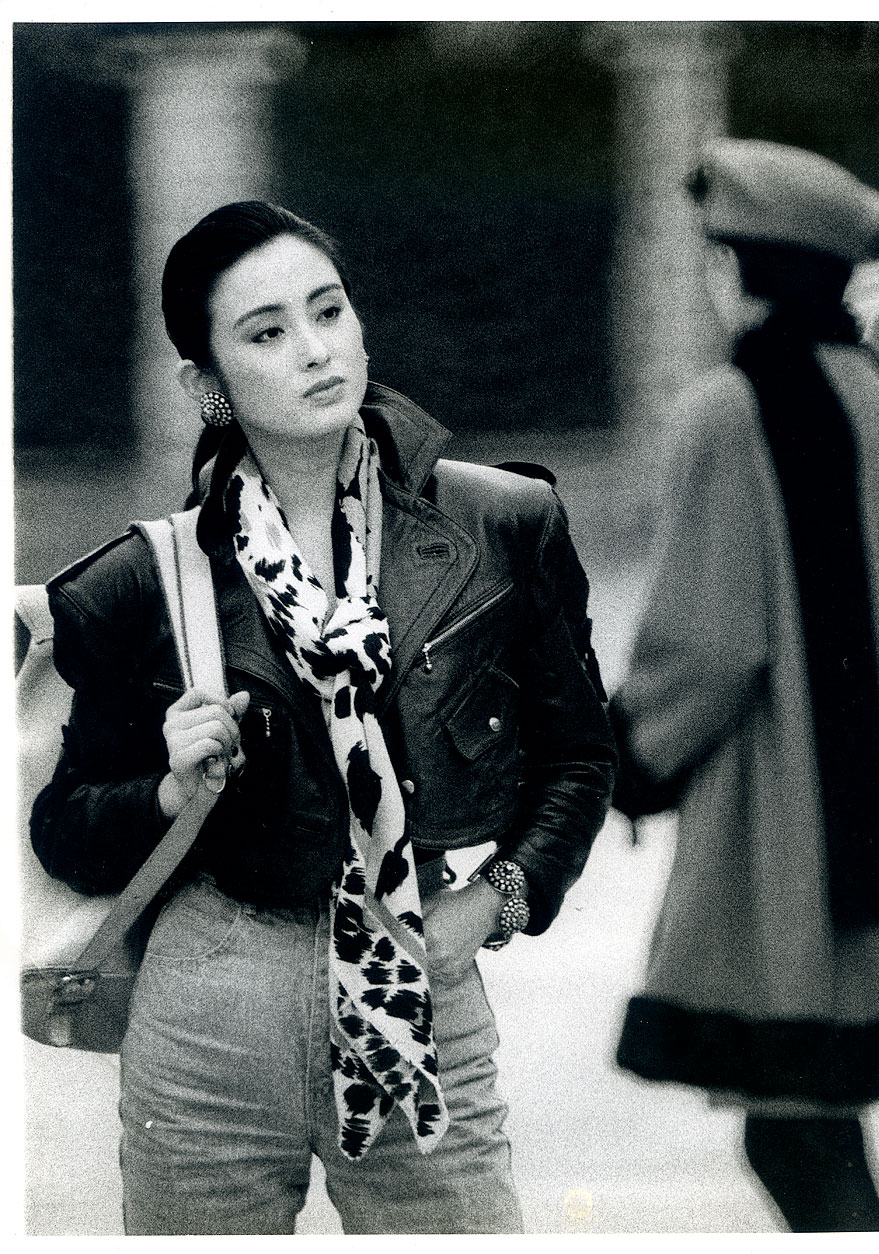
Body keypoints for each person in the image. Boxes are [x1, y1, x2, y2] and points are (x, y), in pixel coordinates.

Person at [30, 201, 615, 1236]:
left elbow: (577, 759)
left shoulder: (502, 522)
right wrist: (166, 790)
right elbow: (65, 832)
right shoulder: (144, 581)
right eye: (266, 332)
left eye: (328, 310)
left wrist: (490, 903)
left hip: (420, 976)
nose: (313, 349)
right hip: (212, 1006)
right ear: (206, 384)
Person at [609, 140, 879, 1233]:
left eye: (714, 255)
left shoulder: (729, 409)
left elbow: (707, 645)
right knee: (819, 1123)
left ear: (742, 267)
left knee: (795, 1133)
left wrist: (629, 758)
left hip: (783, 830)